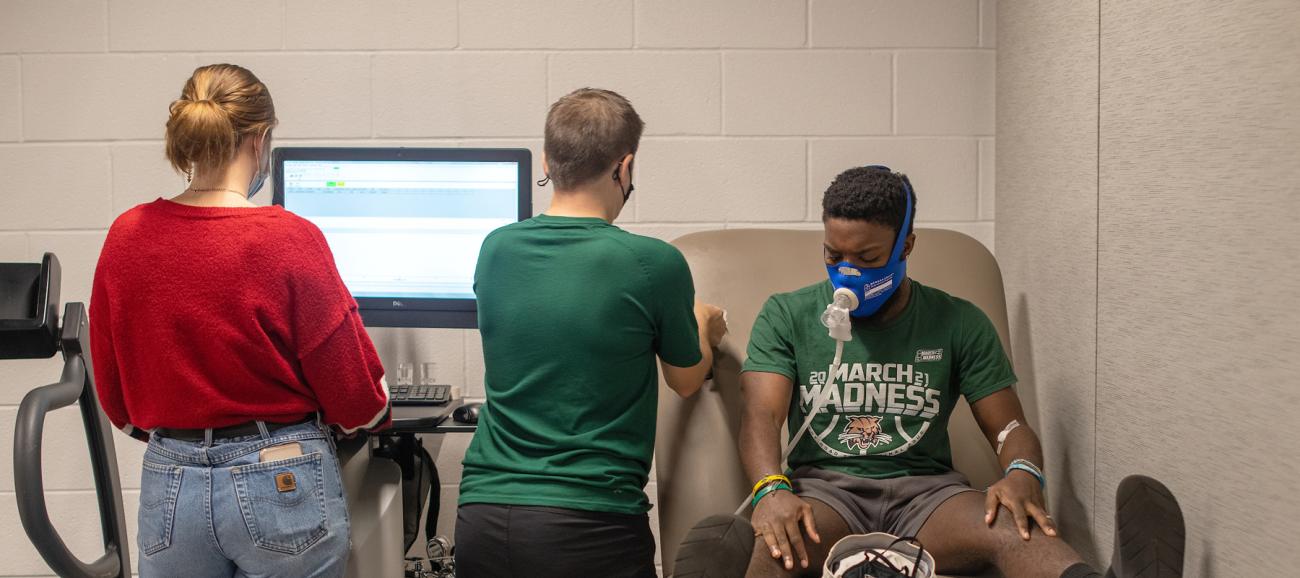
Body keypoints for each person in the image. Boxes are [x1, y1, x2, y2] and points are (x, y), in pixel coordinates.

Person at [680, 165, 1123, 578]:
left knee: (1016, 528)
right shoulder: (787, 315)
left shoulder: (958, 321)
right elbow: (761, 414)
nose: (847, 274)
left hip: (931, 499)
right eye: (834, 255)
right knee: (773, 544)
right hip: (825, 498)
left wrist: (1024, 473)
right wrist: (769, 490)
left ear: (905, 245)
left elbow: (1009, 425)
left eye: (868, 258)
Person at [90, 64, 390, 578]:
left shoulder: (127, 235)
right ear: (260, 139)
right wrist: (368, 417)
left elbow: (117, 400)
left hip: (171, 478)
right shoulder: (289, 237)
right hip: (281, 474)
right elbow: (355, 396)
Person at [455, 88, 728, 578]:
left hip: (484, 517)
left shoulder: (496, 249)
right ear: (624, 167)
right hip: (590, 524)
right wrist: (702, 323)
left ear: (547, 159)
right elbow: (686, 381)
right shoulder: (652, 263)